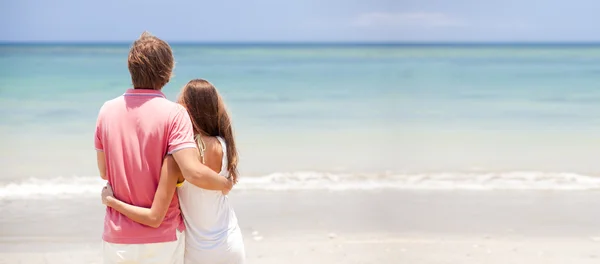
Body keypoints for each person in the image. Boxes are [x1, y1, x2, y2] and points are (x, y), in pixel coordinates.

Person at [95, 32, 233, 264]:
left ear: (131, 69)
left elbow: (105, 172)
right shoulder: (175, 114)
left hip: (117, 237)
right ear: (167, 73)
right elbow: (191, 171)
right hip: (162, 239)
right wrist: (226, 183)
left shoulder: (106, 111)